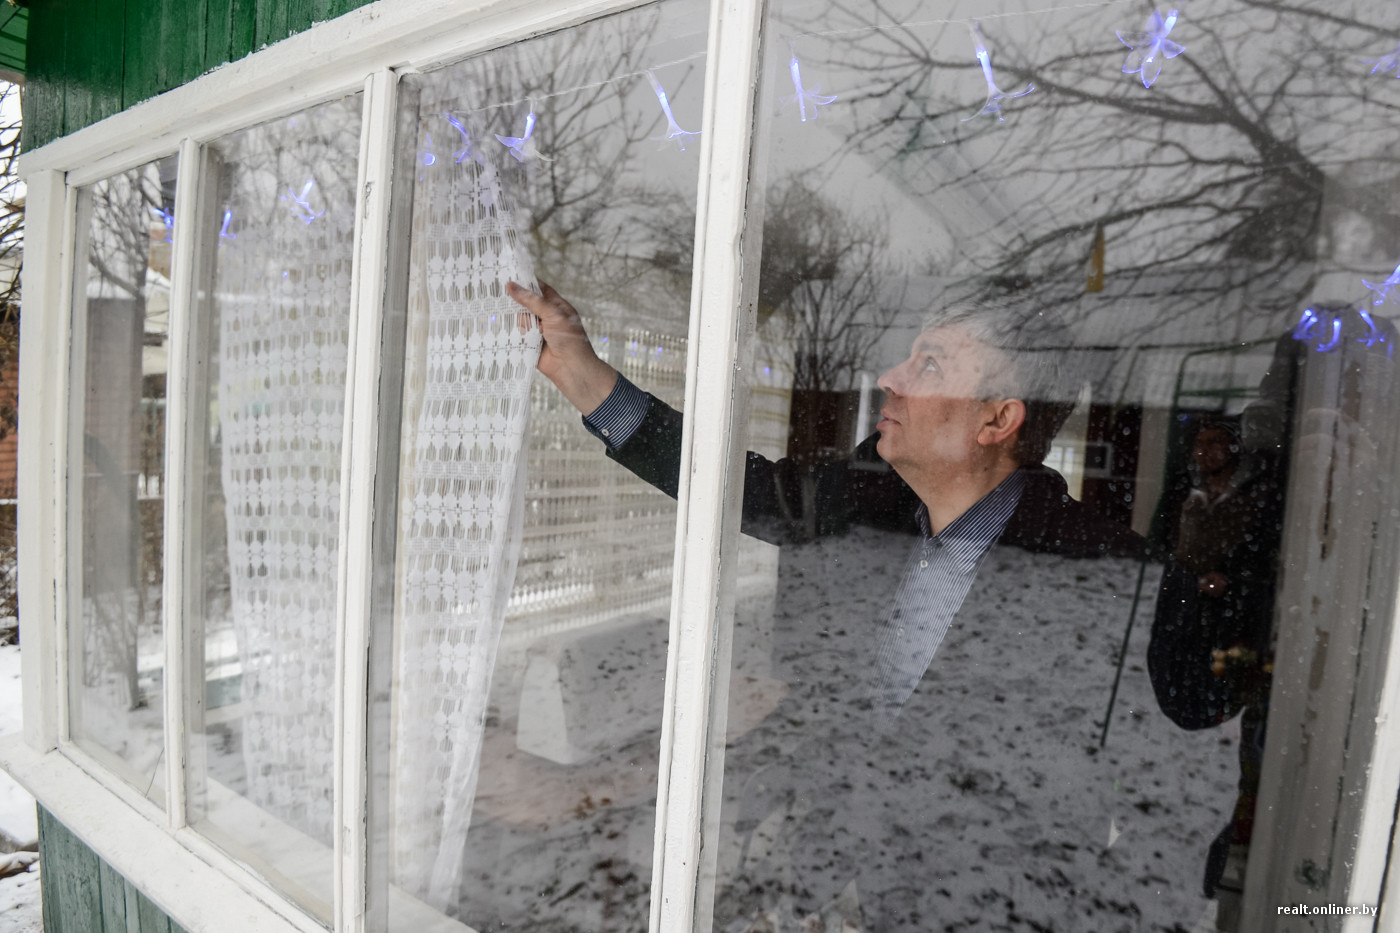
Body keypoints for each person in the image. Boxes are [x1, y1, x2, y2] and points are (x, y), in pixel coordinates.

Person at [507, 282, 1162, 931]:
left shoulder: (1110, 579)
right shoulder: (873, 491)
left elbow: (1159, 808)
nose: (890, 378)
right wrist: (582, 374)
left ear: (997, 420)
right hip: (840, 877)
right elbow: (741, 488)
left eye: (930, 364)